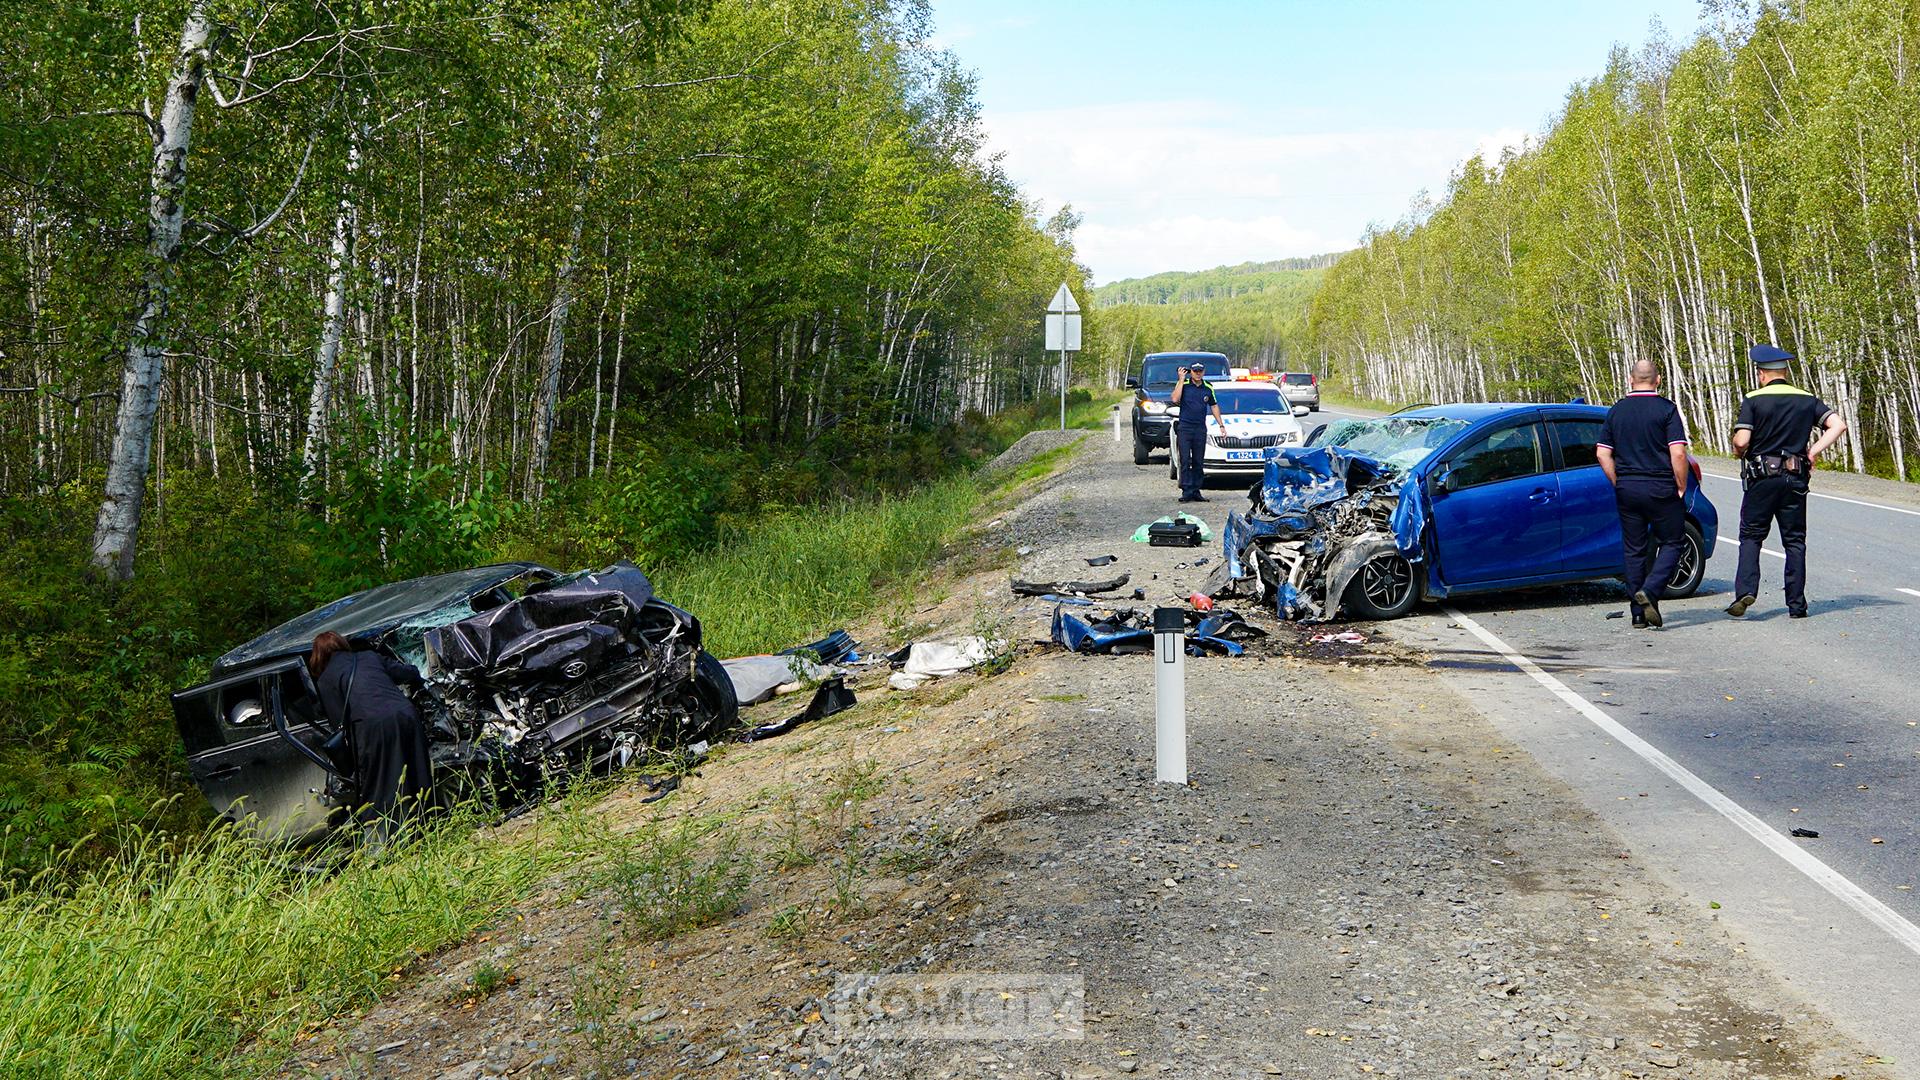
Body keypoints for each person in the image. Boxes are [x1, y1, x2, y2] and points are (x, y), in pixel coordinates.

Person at [1727, 344, 1848, 619]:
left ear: (1761, 374)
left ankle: (1746, 591)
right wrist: (1813, 451)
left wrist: (1737, 449)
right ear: (1783, 372)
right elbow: (1838, 425)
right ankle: (1797, 605)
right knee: (1794, 541)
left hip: (1762, 478)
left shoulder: (1754, 399)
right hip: (1795, 476)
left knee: (1751, 536)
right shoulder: (1807, 398)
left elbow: (1743, 440)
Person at [308, 630, 433, 843]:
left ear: (317, 655)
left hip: (372, 727)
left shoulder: (326, 680)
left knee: (379, 781)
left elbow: (338, 721)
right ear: (342, 644)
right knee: (417, 769)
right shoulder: (368, 656)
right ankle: (429, 824)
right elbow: (409, 672)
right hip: (405, 715)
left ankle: (383, 841)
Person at [1595, 360, 1690, 628]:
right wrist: (1680, 484)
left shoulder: (1616, 412)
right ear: (1658, 380)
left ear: (1630, 379)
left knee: (1634, 549)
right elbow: (1678, 452)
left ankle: (1638, 614)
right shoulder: (1666, 410)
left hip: (1628, 487)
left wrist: (1618, 481)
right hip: (1660, 486)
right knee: (1673, 542)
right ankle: (1651, 590)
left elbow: (1603, 453)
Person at [1169, 364, 1228, 502]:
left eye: (1200, 371)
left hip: (1200, 428)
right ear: (1191, 372)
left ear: (1203, 372)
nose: (1197, 374)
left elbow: (1214, 406)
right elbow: (1174, 399)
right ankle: (1186, 491)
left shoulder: (1208, 387)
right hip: (1185, 427)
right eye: (1195, 371)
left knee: (1198, 461)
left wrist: (1221, 425)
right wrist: (1181, 379)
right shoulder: (1185, 384)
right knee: (1184, 460)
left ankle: (1196, 490)